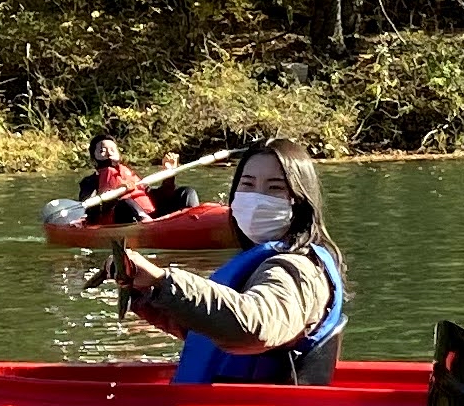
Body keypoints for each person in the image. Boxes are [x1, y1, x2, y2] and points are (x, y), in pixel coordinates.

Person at [113, 139, 346, 385]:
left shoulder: (294, 270)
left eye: (275, 188)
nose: (257, 198)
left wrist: (163, 279)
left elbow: (255, 326)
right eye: (247, 185)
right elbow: (211, 327)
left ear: (300, 201)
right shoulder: (266, 260)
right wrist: (148, 290)